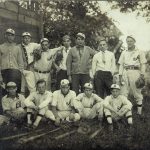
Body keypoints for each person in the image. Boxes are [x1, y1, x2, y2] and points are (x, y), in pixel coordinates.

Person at [118, 36, 146, 117]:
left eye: (131, 41)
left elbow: (143, 64)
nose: (129, 43)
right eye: (127, 41)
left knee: (137, 91)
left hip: (135, 71)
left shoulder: (139, 51)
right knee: (123, 92)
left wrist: (142, 75)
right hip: (125, 72)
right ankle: (125, 111)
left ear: (134, 41)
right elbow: (121, 65)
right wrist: (120, 75)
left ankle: (139, 113)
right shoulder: (124, 52)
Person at [0, 28, 24, 93]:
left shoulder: (17, 48)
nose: (10, 37)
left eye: (12, 35)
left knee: (15, 92)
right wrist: (0, 76)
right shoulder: (1, 47)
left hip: (15, 72)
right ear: (5, 35)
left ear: (14, 37)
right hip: (4, 72)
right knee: (4, 91)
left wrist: (20, 73)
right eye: (9, 35)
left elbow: (21, 62)